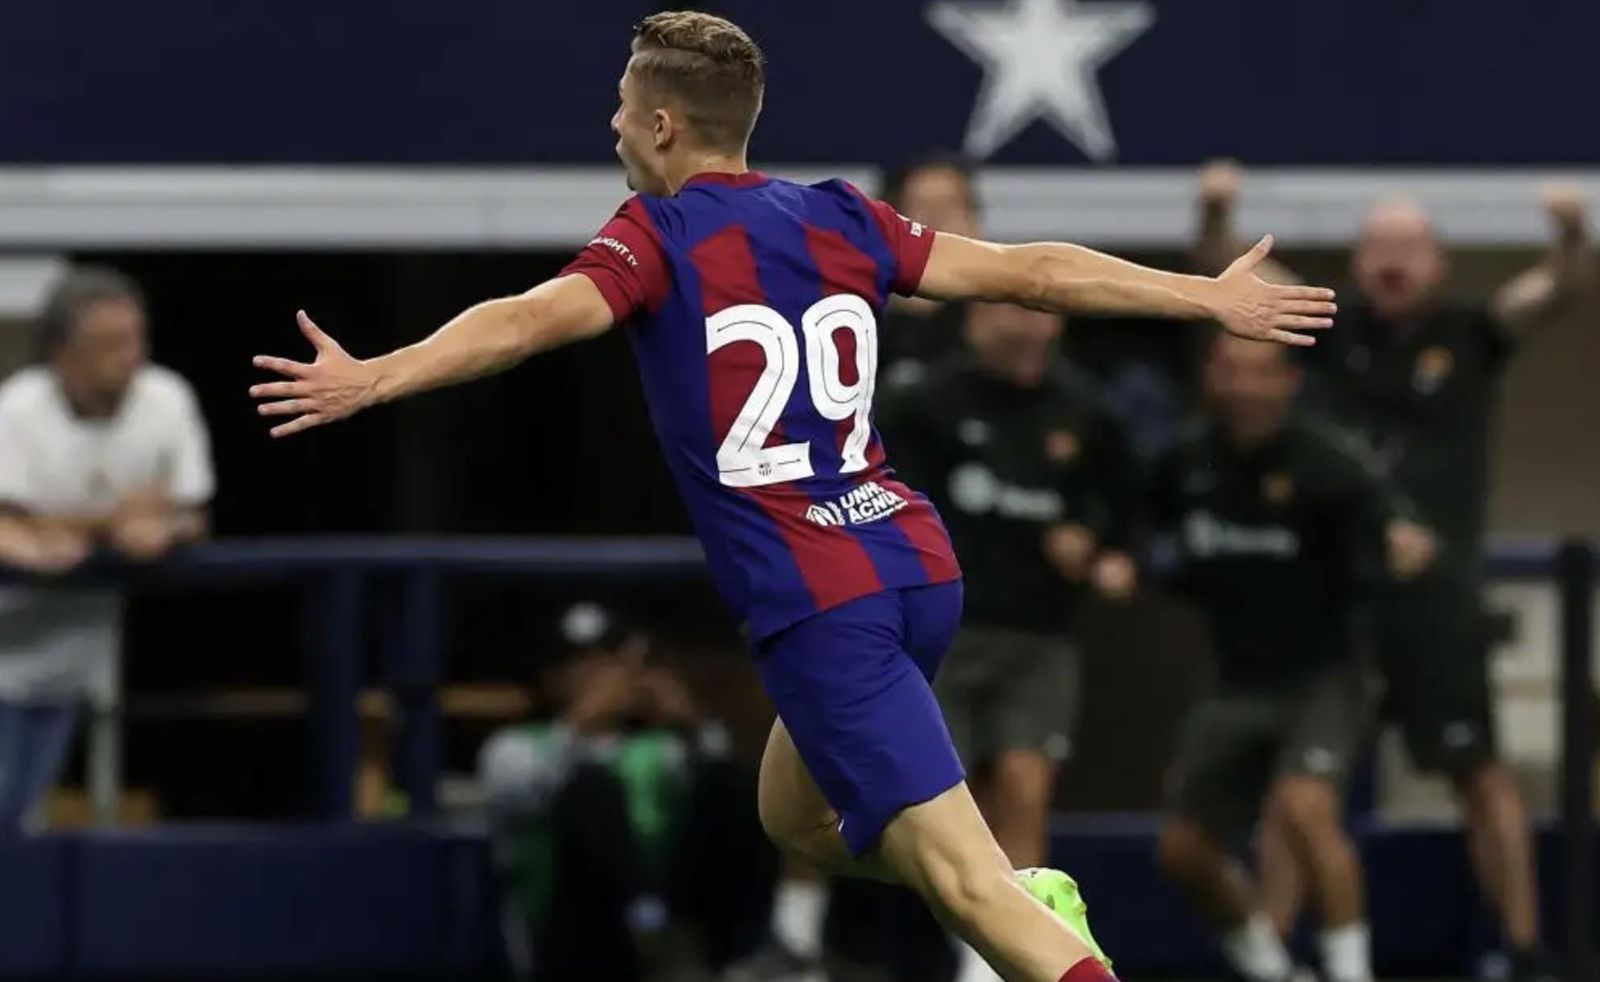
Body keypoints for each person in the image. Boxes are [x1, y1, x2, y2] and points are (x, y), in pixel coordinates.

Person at [248, 13, 1336, 981]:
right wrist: (1200, 293)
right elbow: (1031, 272)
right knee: (798, 818)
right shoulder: (836, 216)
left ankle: (1031, 927)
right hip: (911, 568)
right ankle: (1024, 902)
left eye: (624, 105)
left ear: (666, 125)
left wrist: (377, 375)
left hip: (827, 607)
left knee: (962, 890)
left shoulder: (654, 238)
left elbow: (528, 320)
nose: (613, 122)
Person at [1192, 160, 1593, 980]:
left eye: (1410, 246)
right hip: (1336, 604)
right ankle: (1269, 955)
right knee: (1299, 796)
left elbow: (1556, 287)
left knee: (1480, 774)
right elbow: (1232, 265)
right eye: (1378, 247)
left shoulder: (1471, 335)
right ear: (1359, 259)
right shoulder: (1328, 330)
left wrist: (1569, 234)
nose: (1393, 262)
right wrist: (1215, 212)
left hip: (1435, 604)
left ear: (1439, 261)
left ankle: (1523, 951)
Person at [1150, 332, 1432, 982]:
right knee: (1183, 850)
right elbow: (1149, 532)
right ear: (1213, 379)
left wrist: (1401, 542)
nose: (1247, 388)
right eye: (1233, 372)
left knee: (1305, 807)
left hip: (1324, 674)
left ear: (1288, 382)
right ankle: (1270, 970)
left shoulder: (1330, 465)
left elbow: (1393, 521)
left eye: (1262, 373)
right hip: (1234, 678)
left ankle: (1349, 969)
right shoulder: (1186, 462)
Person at [877, 301, 1136, 982]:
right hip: (941, 633)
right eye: (1007, 314)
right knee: (941, 800)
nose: (1025, 329)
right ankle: (960, 945)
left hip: (1042, 633)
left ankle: (994, 966)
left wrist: (1100, 545)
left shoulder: (1089, 414)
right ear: (972, 321)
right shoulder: (920, 404)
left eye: (1038, 315)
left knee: (1025, 784)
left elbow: (1122, 512)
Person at [0, 266, 213, 832]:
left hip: (77, 655)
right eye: (110, 344)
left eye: (136, 339)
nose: (130, 356)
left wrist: (161, 526)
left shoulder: (166, 399)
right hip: (5, 651)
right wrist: (117, 519)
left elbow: (189, 512)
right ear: (64, 352)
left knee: (24, 820)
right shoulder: (19, 409)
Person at [481, 602, 771, 981]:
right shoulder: (515, 748)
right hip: (572, 947)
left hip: (676, 924)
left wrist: (693, 724)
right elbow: (524, 795)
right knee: (592, 790)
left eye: (612, 664)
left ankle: (746, 953)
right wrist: (582, 723)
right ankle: (644, 929)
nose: (603, 679)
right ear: (550, 678)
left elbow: (724, 810)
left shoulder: (663, 746)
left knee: (728, 781)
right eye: (583, 666)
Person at [877, 152, 984, 387]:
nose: (937, 221)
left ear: (974, 223)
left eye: (950, 208)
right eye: (922, 207)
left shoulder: (1000, 323)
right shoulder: (859, 318)